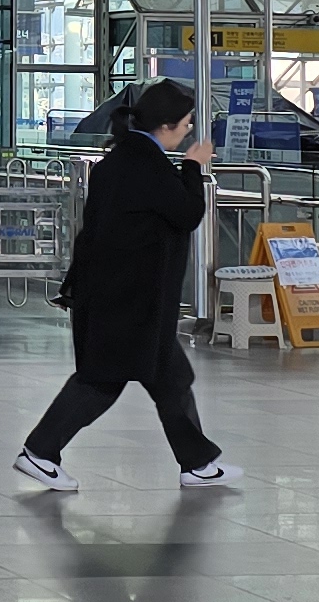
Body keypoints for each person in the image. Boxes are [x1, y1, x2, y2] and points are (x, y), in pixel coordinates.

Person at [13, 78, 238, 495]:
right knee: (101, 381)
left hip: (121, 296)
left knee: (171, 377)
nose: (189, 130)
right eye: (186, 123)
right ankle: (40, 451)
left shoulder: (118, 162)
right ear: (166, 126)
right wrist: (193, 167)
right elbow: (187, 213)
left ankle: (197, 463)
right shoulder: (149, 168)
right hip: (130, 301)